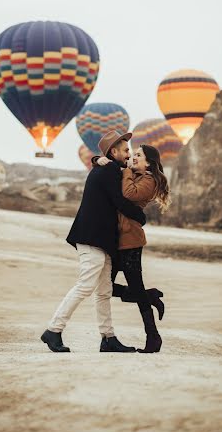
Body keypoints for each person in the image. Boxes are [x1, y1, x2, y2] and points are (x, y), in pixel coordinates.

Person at [41, 130, 146, 353]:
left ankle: (108, 338)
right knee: (86, 285)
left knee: (104, 291)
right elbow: (119, 201)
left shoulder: (108, 168)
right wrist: (141, 216)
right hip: (91, 238)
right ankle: (53, 330)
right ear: (113, 151)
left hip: (101, 240)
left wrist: (96, 159)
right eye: (125, 150)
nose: (129, 153)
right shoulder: (107, 170)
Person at [95, 144, 171, 353]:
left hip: (131, 241)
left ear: (149, 163)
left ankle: (153, 337)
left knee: (132, 288)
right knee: (104, 287)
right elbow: (109, 170)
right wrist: (96, 160)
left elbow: (127, 194)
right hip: (117, 239)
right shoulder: (132, 174)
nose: (133, 157)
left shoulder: (149, 180)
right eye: (133, 154)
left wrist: (126, 169)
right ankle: (150, 296)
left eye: (138, 155)